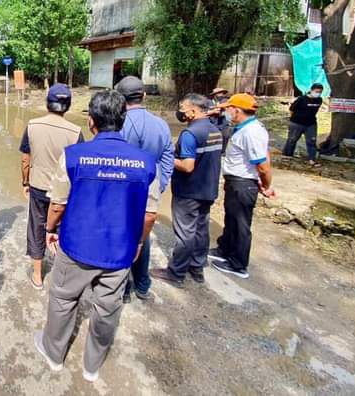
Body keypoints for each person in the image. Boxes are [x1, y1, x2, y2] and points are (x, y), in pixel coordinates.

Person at [35, 90, 157, 382]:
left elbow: (58, 204)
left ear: (91, 120)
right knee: (107, 308)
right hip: (119, 251)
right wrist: (139, 242)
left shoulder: (73, 156)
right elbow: (150, 214)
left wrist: (49, 230)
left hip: (76, 247)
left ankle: (54, 354)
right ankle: (92, 365)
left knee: (63, 299)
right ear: (123, 120)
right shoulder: (146, 162)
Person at [151, 94, 223, 286]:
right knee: (201, 229)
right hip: (208, 189)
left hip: (189, 191)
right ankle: (197, 268)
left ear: (193, 110)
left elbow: (187, 165)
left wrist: (166, 158)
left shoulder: (190, 134)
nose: (180, 112)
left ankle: (176, 273)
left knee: (185, 233)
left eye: (182, 108)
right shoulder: (215, 130)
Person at [114, 76, 174, 302]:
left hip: (123, 192)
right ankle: (142, 285)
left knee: (121, 237)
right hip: (149, 190)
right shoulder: (161, 125)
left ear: (120, 98)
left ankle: (123, 288)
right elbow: (167, 159)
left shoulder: (118, 124)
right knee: (142, 236)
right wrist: (159, 186)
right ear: (144, 96)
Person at [19, 84, 83, 290]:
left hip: (38, 187)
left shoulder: (32, 126)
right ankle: (62, 275)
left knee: (36, 228)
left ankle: (38, 276)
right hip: (64, 193)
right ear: (68, 105)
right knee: (62, 229)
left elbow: (25, 159)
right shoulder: (76, 132)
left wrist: (25, 182)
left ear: (48, 103)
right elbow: (77, 167)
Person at [209, 93, 276, 279]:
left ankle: (238, 264)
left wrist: (266, 185)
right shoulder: (245, 128)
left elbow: (263, 165)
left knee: (240, 224)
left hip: (243, 183)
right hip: (236, 181)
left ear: (237, 110)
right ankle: (225, 250)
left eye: (228, 109)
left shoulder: (251, 132)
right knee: (231, 218)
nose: (227, 112)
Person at [283, 83, 323, 165]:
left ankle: (312, 159)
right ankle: (287, 156)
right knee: (292, 139)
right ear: (311, 90)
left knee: (312, 141)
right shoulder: (302, 99)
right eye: (316, 91)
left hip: (311, 124)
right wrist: (294, 119)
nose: (318, 93)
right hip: (297, 123)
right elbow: (292, 109)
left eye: (320, 92)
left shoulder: (319, 100)